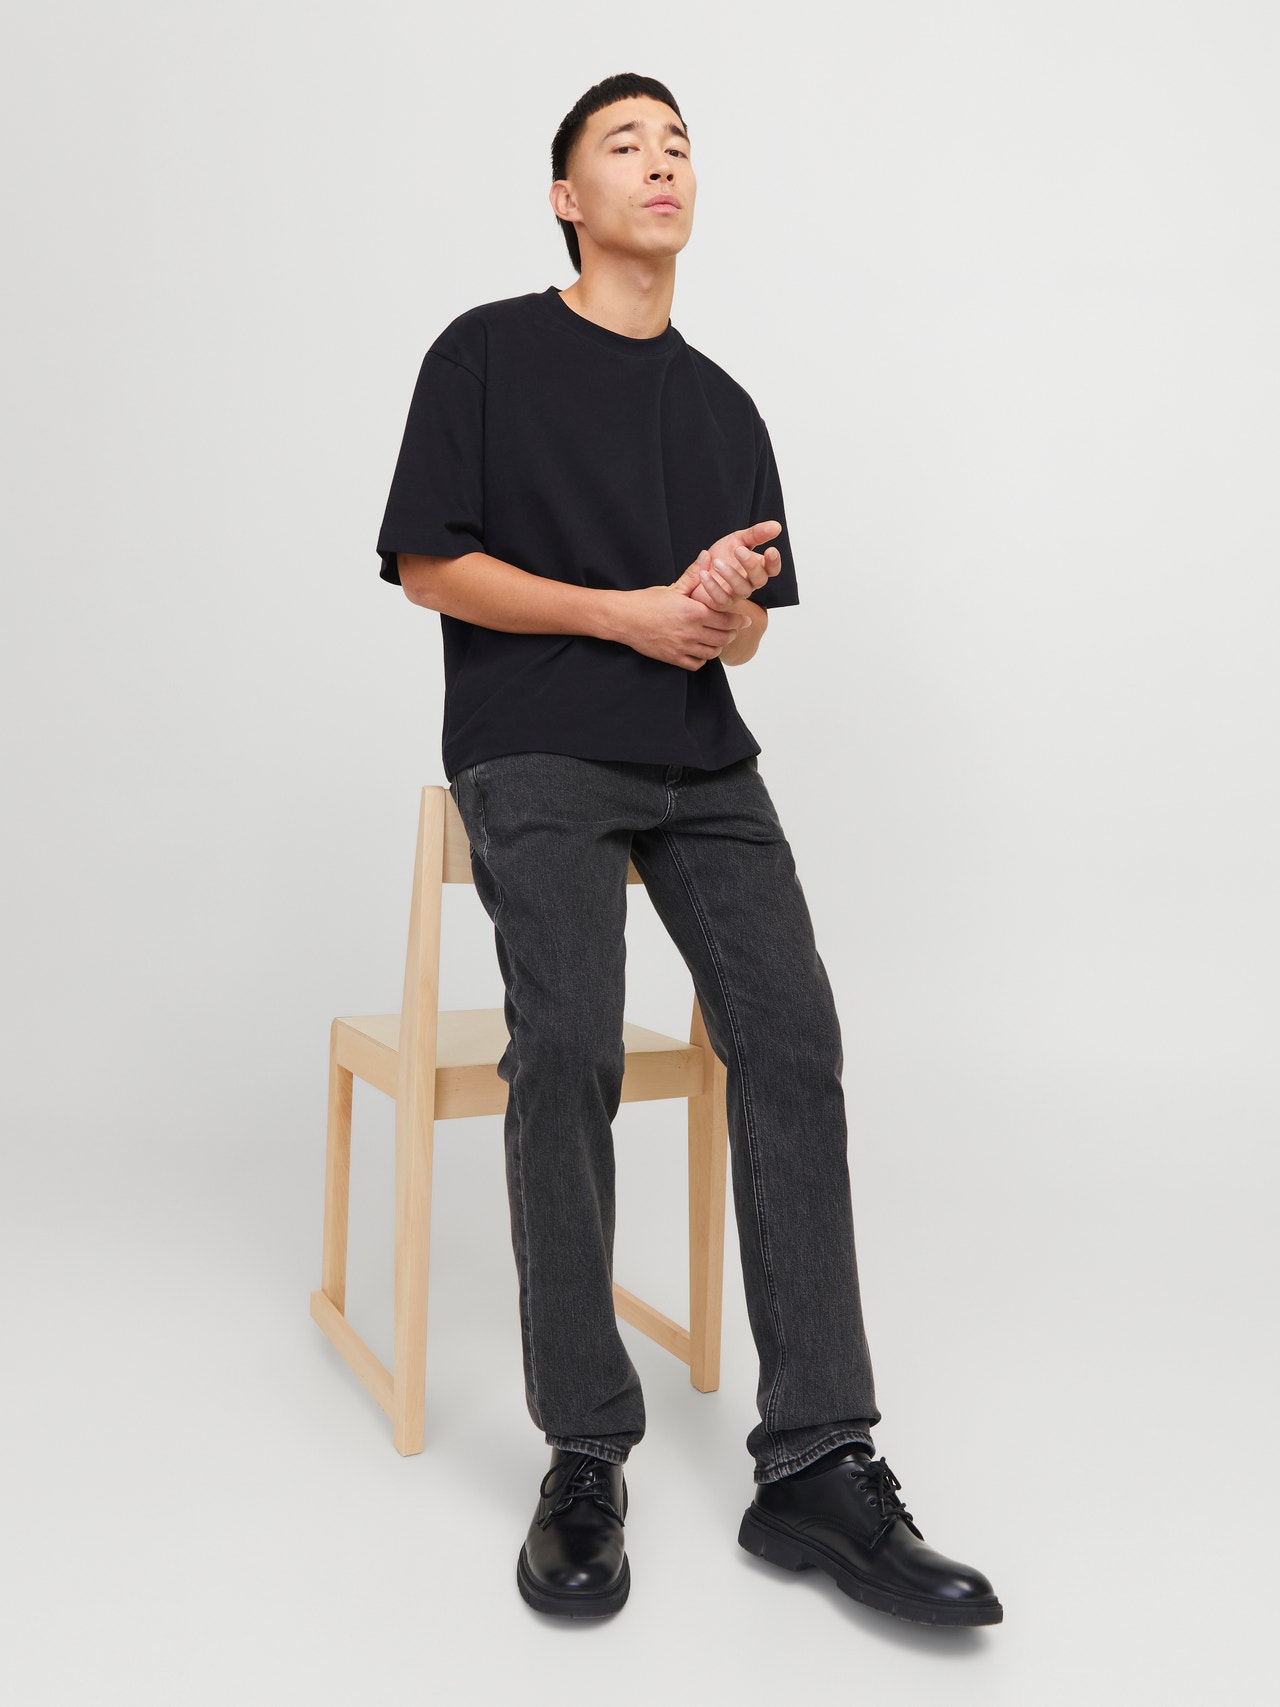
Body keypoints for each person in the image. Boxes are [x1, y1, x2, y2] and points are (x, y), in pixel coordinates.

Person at [374, 71, 1002, 1628]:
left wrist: (715, 616)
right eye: (623, 146)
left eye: (677, 146)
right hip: (534, 748)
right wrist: (627, 615)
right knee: (570, 1045)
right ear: (566, 198)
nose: (660, 165)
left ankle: (817, 1466)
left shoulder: (726, 408)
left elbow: (745, 637)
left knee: (793, 1036)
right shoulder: (484, 354)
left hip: (702, 762)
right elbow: (430, 567)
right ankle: (584, 1455)